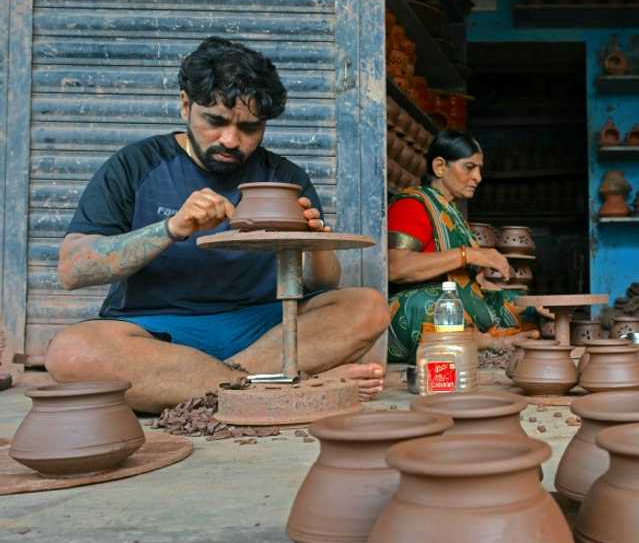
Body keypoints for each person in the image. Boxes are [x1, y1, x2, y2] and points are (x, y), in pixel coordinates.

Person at [44, 37, 389, 412]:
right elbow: (72, 269)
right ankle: (276, 386)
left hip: (261, 332)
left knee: (367, 307)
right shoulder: (135, 165)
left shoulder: (284, 177)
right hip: (161, 335)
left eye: (250, 128)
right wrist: (170, 228)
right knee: (71, 351)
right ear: (185, 105)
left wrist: (310, 243)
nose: (231, 139)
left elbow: (323, 286)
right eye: (216, 121)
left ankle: (223, 389)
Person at [386, 130, 540, 363]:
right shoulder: (412, 204)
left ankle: (485, 340)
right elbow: (395, 267)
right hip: (424, 305)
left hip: (462, 305)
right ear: (440, 166)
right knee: (435, 306)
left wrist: (520, 299)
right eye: (469, 167)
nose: (478, 177)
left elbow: (471, 283)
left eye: (479, 168)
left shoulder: (452, 212)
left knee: (523, 305)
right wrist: (467, 254)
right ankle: (492, 343)